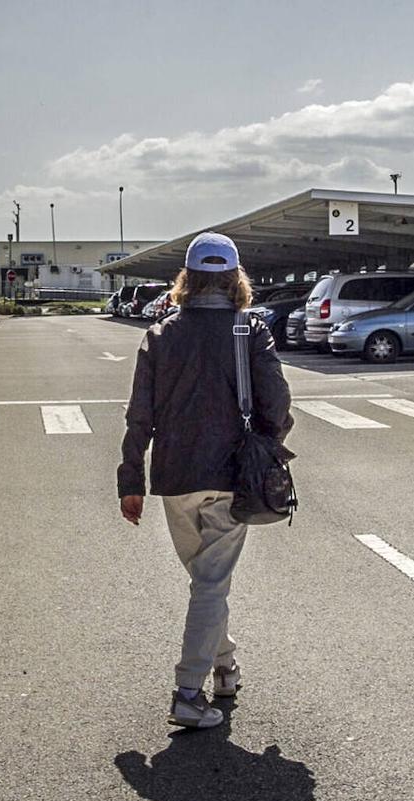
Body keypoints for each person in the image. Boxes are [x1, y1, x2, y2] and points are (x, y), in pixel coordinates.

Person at [117, 231, 293, 729]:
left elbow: (139, 415)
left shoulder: (161, 334)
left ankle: (225, 668)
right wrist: (266, 446)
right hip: (230, 474)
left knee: (205, 581)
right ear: (235, 279)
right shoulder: (249, 330)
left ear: (186, 280)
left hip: (173, 477)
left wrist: (130, 479)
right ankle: (187, 693)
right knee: (210, 583)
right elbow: (277, 404)